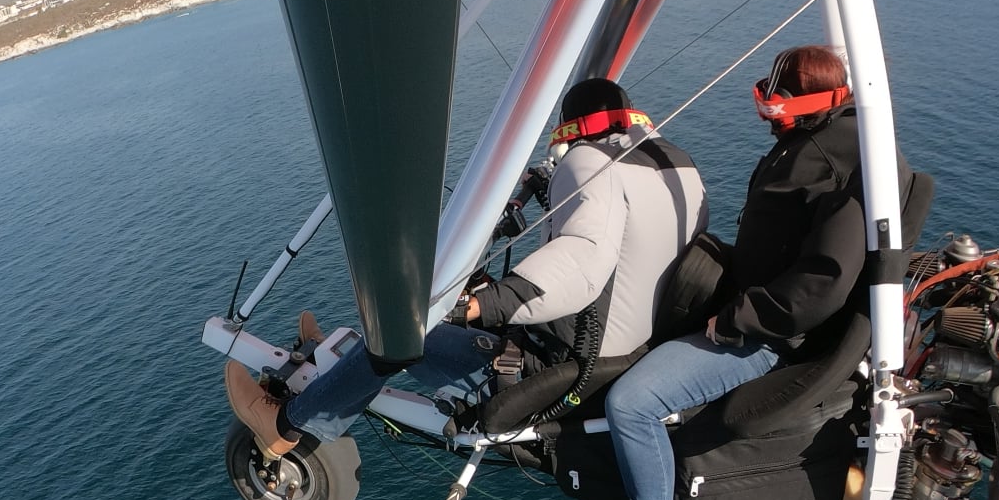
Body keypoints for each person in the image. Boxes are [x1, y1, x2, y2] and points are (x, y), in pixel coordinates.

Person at [225, 78, 707, 456]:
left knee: (400, 339)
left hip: (549, 374)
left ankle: (289, 424)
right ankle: (320, 355)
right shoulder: (673, 163)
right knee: (426, 323)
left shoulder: (588, 162)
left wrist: (477, 307)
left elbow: (582, 261)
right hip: (623, 355)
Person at [604, 44, 905, 500]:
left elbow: (819, 287)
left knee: (631, 404)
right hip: (748, 310)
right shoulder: (822, 145)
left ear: (812, 102)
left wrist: (737, 320)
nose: (766, 113)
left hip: (766, 335)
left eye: (775, 102)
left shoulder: (838, 165)